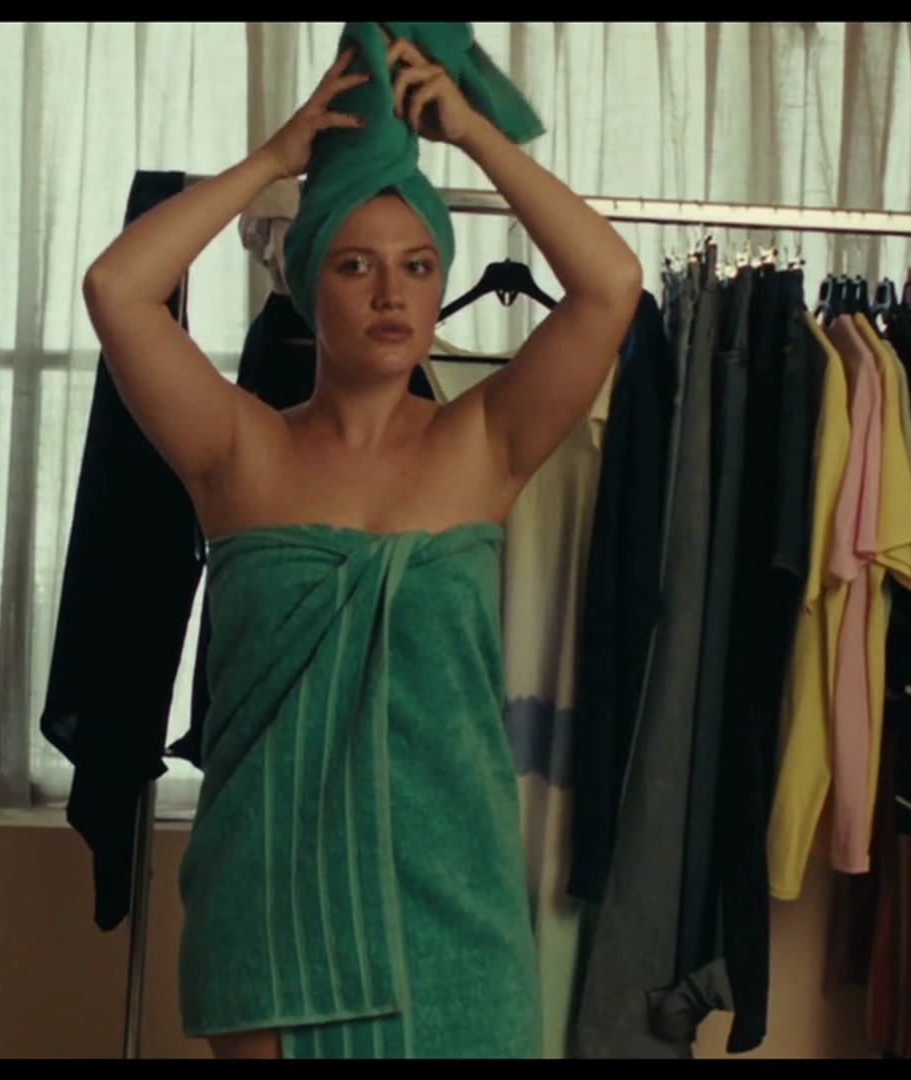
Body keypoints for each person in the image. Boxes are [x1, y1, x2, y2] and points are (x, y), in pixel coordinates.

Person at [81, 32, 643, 1061]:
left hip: (457, 929)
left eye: (418, 266)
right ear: (305, 283)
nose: (393, 294)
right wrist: (273, 158)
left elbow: (610, 285)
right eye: (356, 264)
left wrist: (473, 135)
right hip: (273, 925)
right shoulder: (237, 450)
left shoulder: (485, 442)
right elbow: (118, 289)